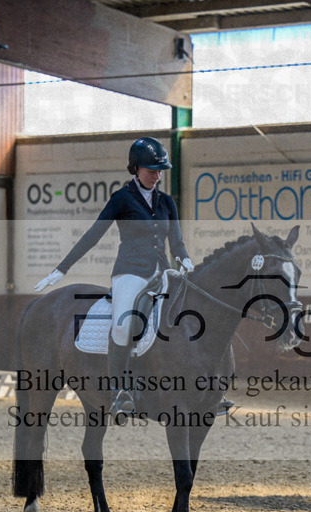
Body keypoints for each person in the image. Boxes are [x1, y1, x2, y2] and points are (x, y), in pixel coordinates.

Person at [34, 137, 193, 414]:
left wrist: (186, 260)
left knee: (189, 315)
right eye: (151, 170)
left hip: (164, 272)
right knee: (122, 324)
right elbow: (94, 234)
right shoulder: (122, 198)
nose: (157, 176)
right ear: (135, 168)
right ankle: (119, 392)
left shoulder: (167, 202)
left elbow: (176, 243)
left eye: (160, 171)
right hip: (130, 272)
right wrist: (62, 268)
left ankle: (201, 389)